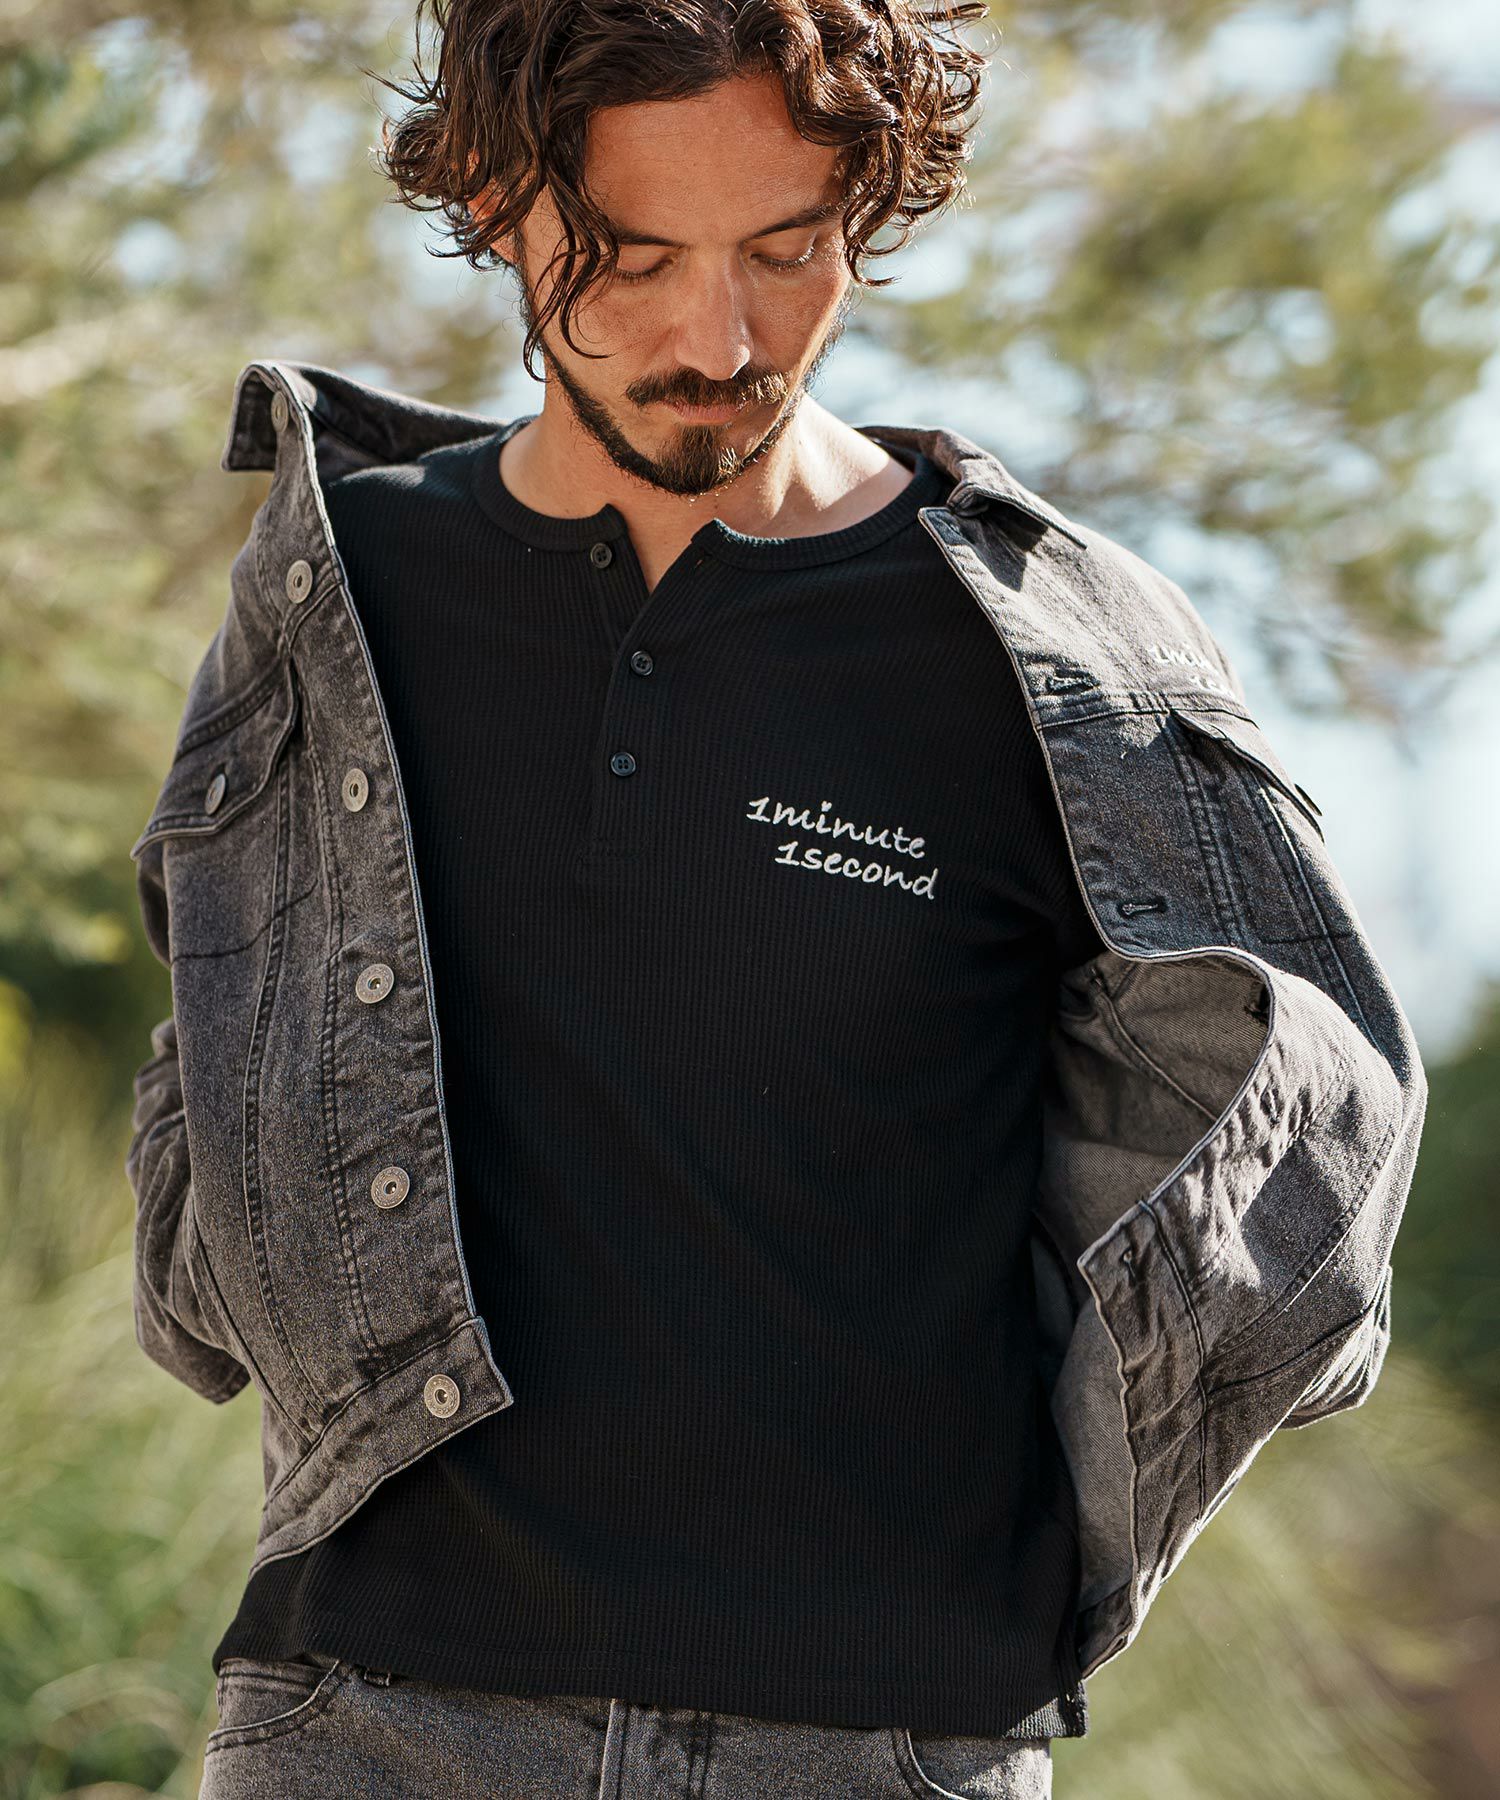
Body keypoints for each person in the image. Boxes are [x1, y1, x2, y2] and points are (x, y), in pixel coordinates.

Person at [122, 3, 1425, 1797]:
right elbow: (205, 1082)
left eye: (787, 250)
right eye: (633, 259)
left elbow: (1311, 1197)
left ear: (867, 212)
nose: (718, 341)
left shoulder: (1062, 662)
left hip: (884, 1745)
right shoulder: (348, 595)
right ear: (497, 201)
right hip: (373, 1722)